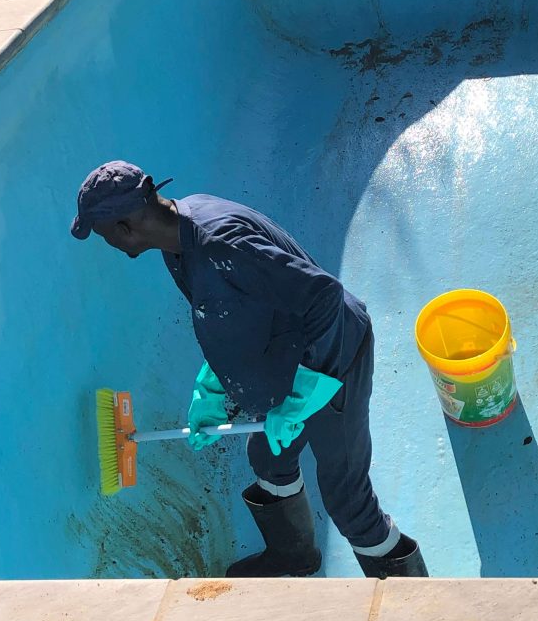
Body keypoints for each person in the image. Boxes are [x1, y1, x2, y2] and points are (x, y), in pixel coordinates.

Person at [71, 161, 427, 579]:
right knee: (268, 456)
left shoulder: (221, 244)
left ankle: (410, 599)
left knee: (347, 499)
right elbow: (232, 315)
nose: (107, 243)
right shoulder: (177, 238)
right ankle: (294, 556)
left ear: (125, 227)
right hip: (289, 355)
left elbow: (324, 299)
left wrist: (302, 396)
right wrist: (216, 386)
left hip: (336, 358)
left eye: (103, 234)